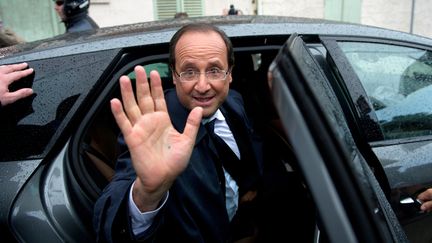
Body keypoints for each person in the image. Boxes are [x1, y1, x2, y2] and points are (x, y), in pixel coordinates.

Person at [93, 23, 264, 242]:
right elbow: (111, 217)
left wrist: (249, 189)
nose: (202, 86)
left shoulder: (234, 102)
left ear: (229, 73)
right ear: (174, 75)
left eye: (214, 70)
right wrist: (147, 194)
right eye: (189, 71)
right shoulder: (154, 128)